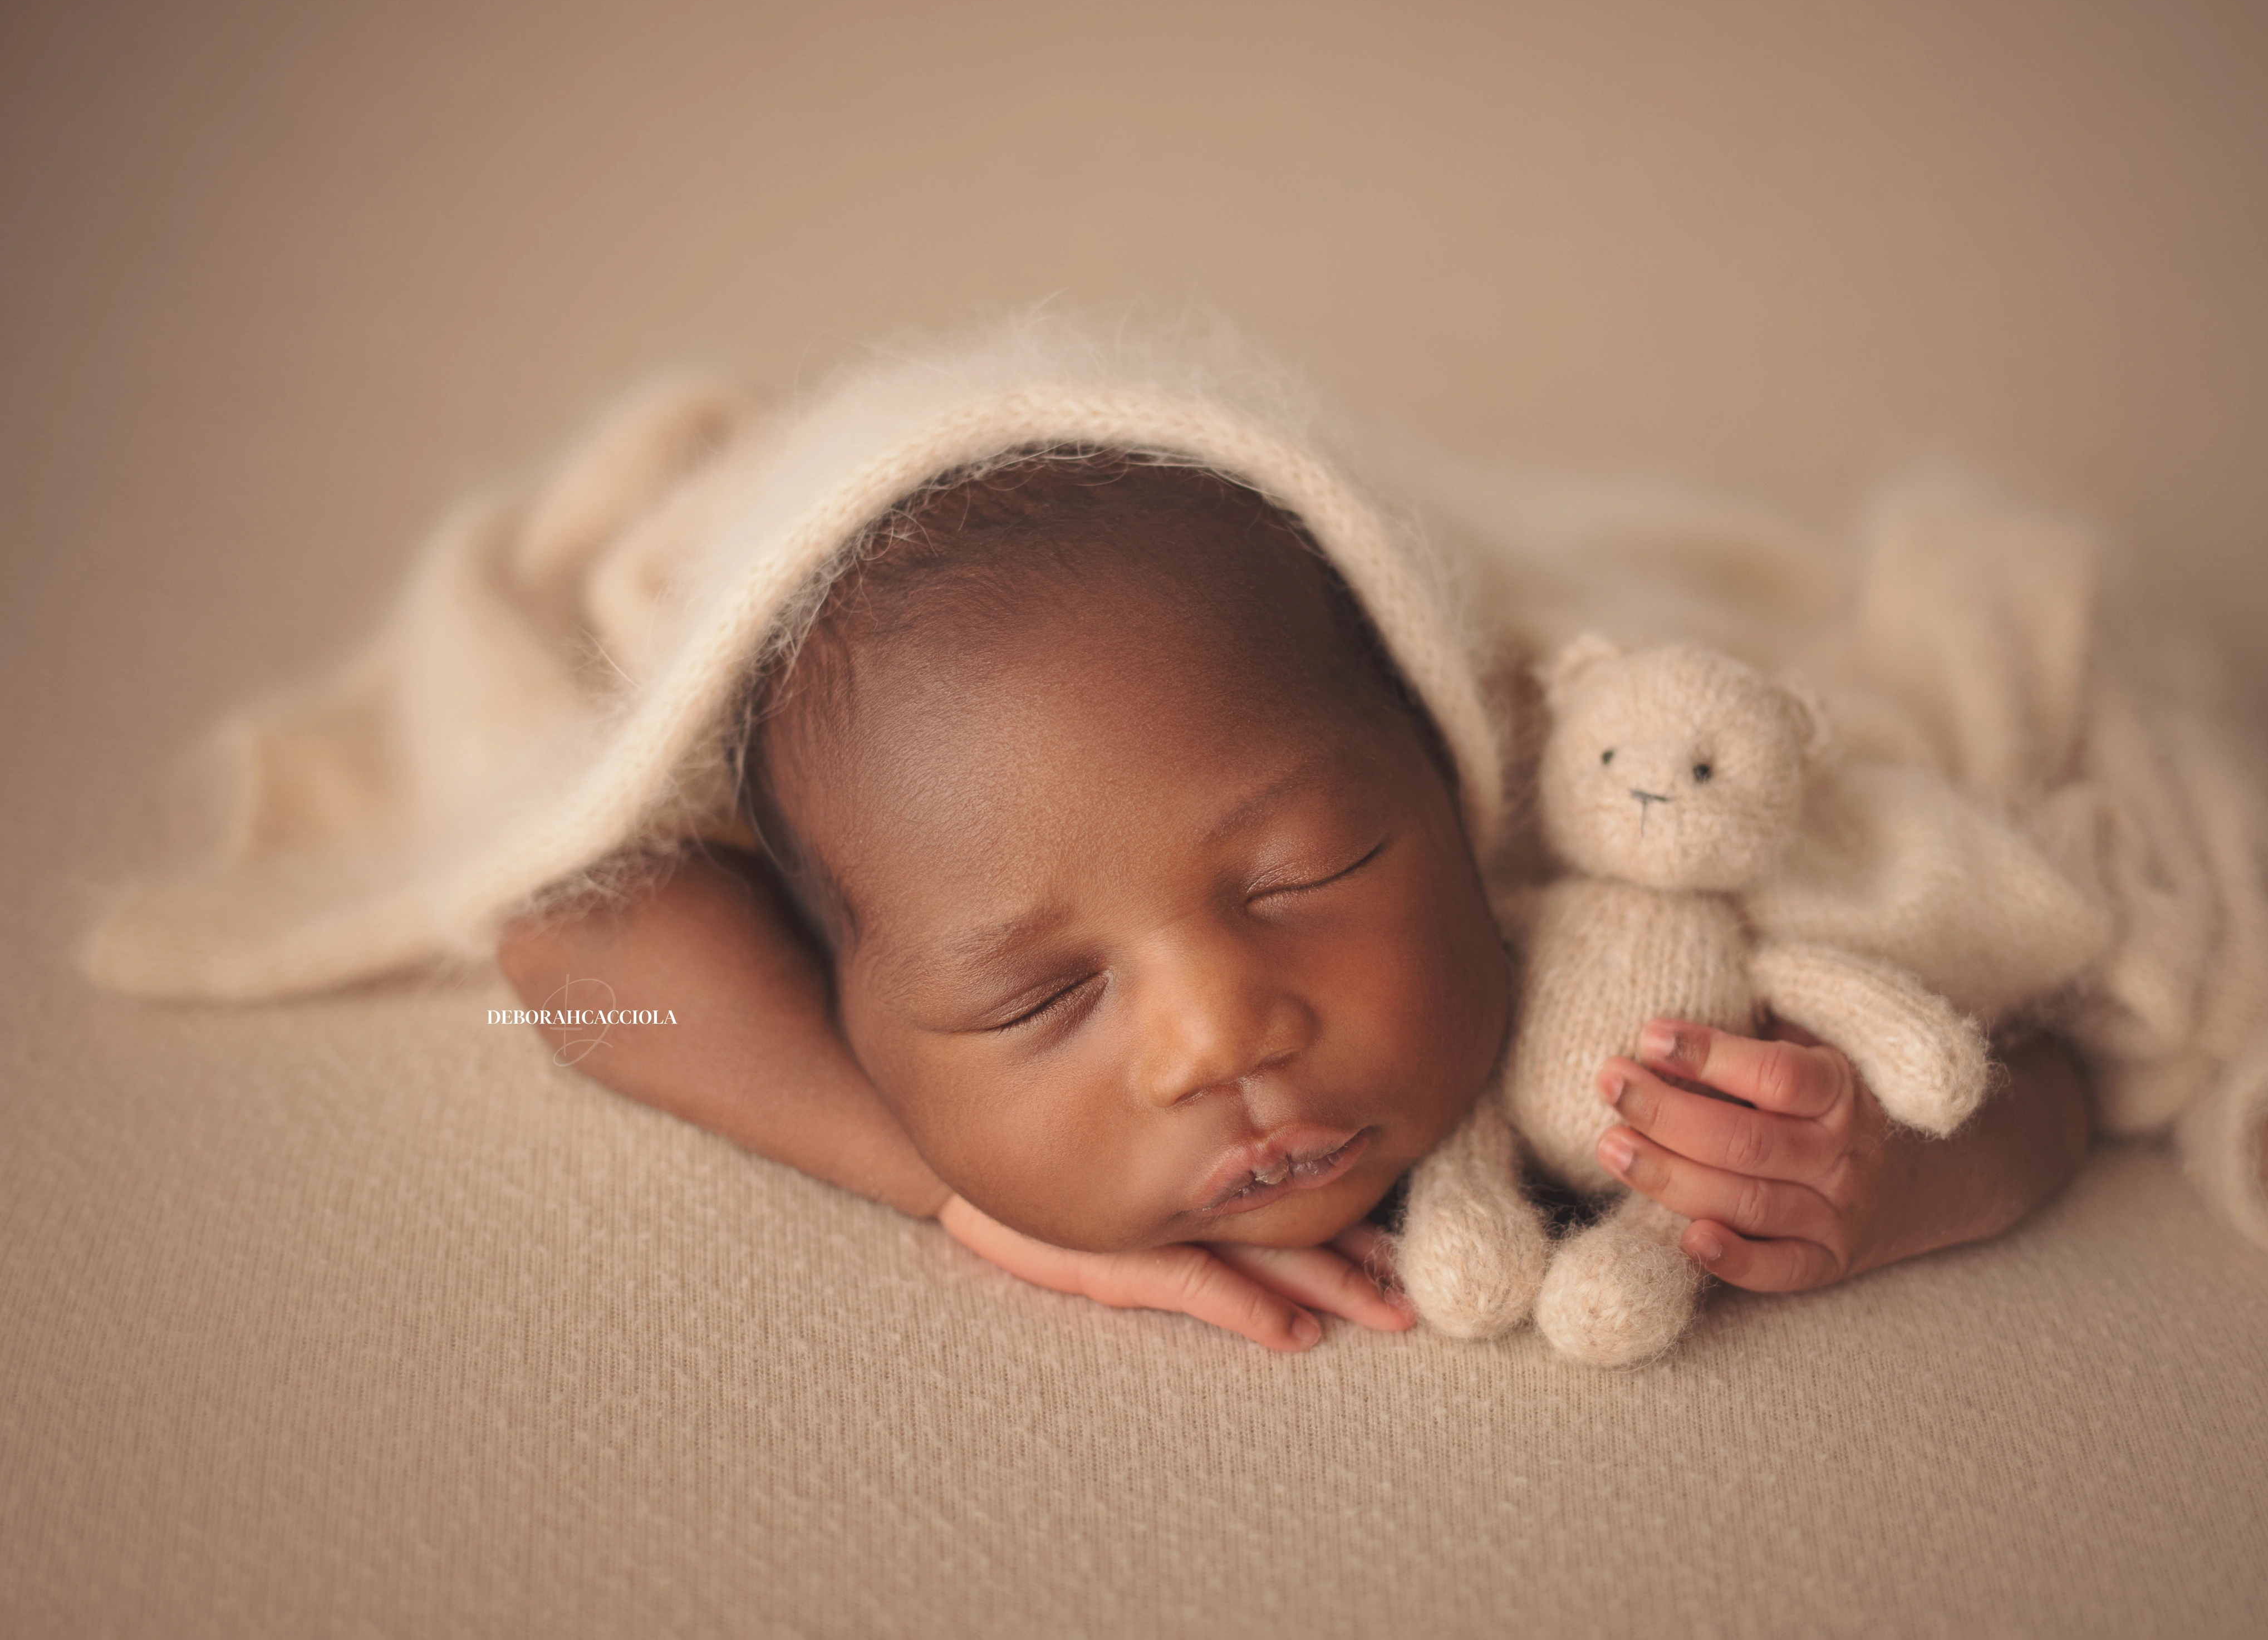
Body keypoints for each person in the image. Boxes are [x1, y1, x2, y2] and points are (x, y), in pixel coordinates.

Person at [494, 445, 2094, 1354]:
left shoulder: (1610, 801)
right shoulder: (859, 868)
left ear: (1443, 767)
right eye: (1035, 999)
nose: (1221, 1034)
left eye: (1303, 874)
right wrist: (937, 1176)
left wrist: (1910, 1179)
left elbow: (2083, 1020)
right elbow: (567, 957)